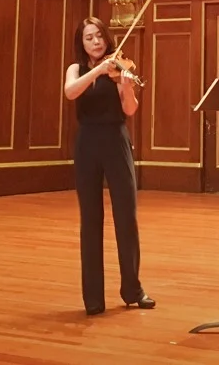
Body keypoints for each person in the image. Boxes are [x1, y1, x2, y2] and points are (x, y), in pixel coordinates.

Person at [64, 16, 155, 316]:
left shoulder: (119, 69)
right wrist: (98, 72)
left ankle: (133, 289)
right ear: (82, 42)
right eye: (89, 37)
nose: (96, 42)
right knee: (90, 220)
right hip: (87, 144)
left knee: (126, 216)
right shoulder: (76, 69)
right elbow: (70, 92)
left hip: (116, 140)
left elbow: (129, 109)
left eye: (100, 36)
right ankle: (93, 299)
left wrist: (125, 86)